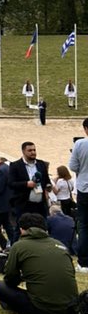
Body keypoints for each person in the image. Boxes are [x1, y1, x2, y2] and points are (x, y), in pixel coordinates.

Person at [0, 213, 82, 314]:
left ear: (21, 230)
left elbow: (10, 278)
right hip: (69, 307)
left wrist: (23, 277)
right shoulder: (60, 245)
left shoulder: (19, 246)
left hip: (40, 307)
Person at [8, 141, 51, 221]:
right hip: (23, 205)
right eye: (30, 150)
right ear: (23, 151)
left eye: (34, 150)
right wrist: (26, 184)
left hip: (40, 205)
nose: (33, 152)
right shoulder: (15, 165)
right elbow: (11, 183)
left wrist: (48, 186)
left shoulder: (41, 164)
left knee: (41, 228)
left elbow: (46, 180)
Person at [68, 117, 88, 274]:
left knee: (84, 225)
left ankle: (84, 262)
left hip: (85, 188)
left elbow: (73, 166)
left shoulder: (80, 144)